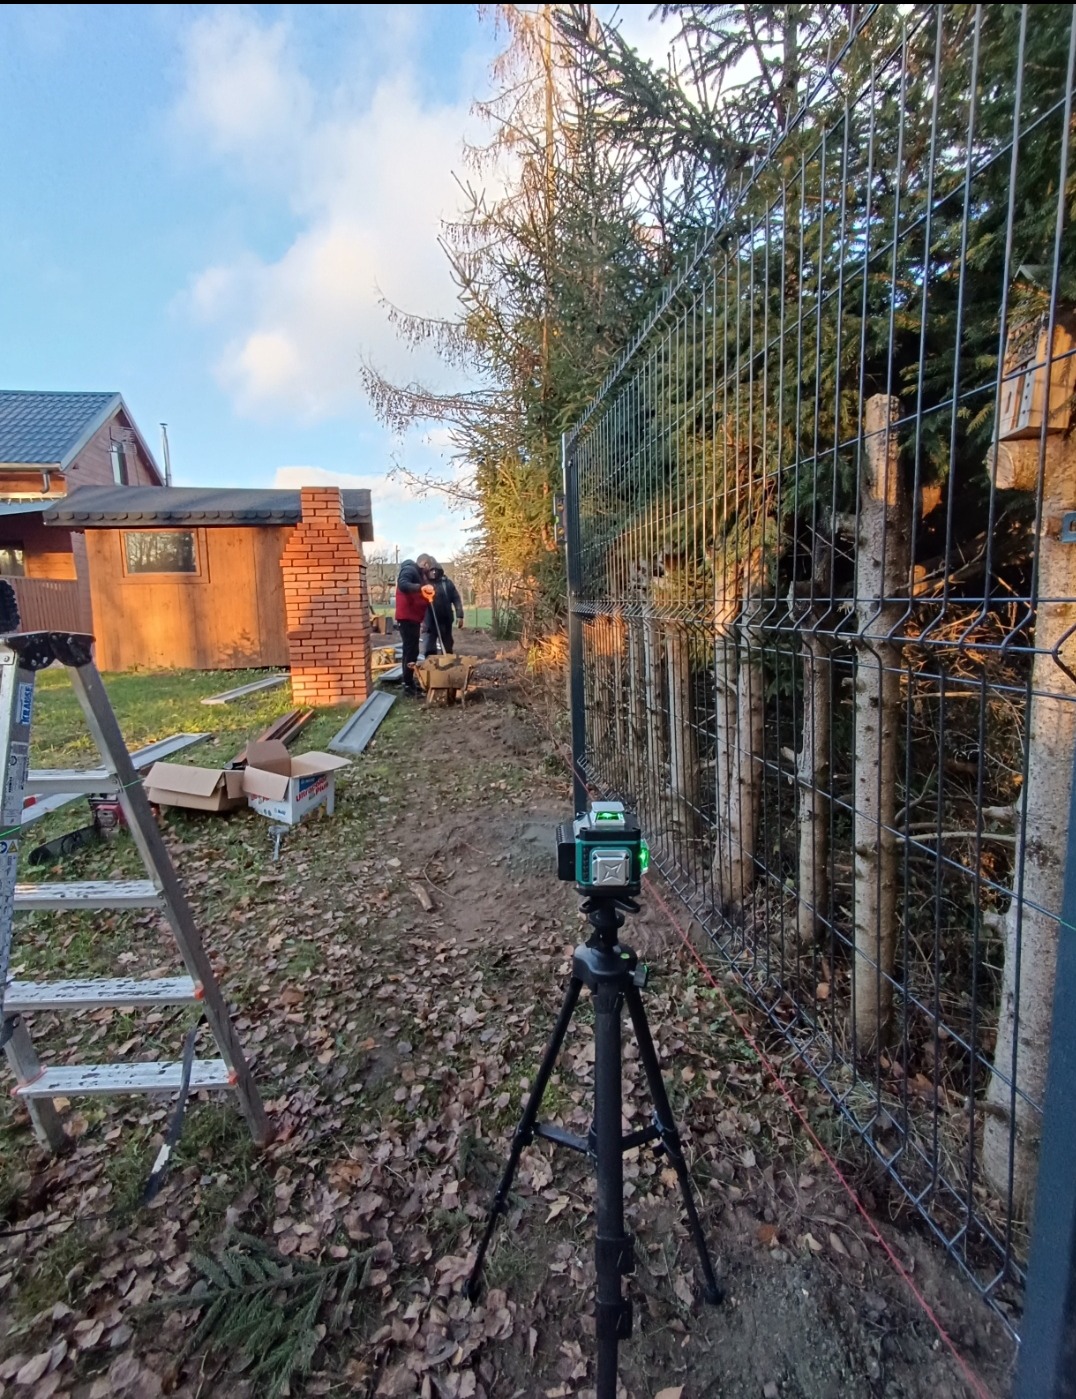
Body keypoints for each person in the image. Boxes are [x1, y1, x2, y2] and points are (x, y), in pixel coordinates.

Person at [395, 557, 435, 696]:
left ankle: (409, 682)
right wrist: (420, 587)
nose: (430, 572)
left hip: (413, 618)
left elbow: (421, 597)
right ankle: (407, 685)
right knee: (410, 651)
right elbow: (403, 584)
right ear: (424, 564)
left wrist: (422, 620)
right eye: (429, 568)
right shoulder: (409, 569)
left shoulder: (419, 574)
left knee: (412, 651)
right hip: (406, 617)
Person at [419, 559, 465, 659]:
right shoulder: (423, 584)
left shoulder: (447, 583)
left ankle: (448, 664)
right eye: (432, 570)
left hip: (445, 619)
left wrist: (460, 615)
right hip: (429, 622)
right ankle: (431, 666)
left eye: (436, 570)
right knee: (429, 647)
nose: (434, 572)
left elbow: (456, 599)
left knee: (447, 645)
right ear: (427, 571)